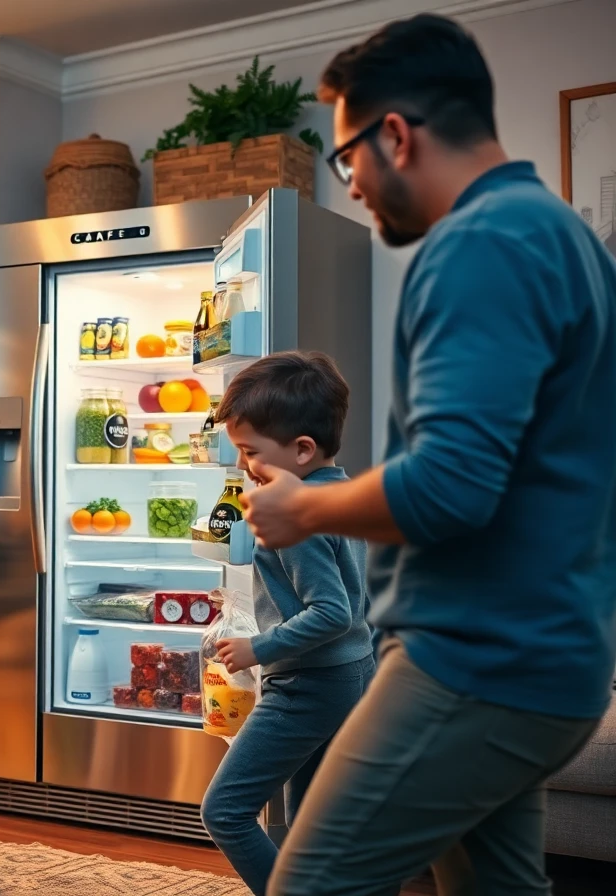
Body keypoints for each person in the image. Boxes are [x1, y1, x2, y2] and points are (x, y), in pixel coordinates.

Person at [237, 15, 616, 896]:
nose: (355, 188)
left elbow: (453, 485)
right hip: (553, 659)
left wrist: (305, 506)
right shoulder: (563, 238)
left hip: (478, 662)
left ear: (396, 135)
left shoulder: (479, 244)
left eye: (348, 160)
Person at [200, 352, 374, 896]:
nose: (246, 466)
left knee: (225, 811)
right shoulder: (340, 493)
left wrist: (258, 646)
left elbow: (330, 611)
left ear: (302, 450)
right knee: (311, 828)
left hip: (307, 685)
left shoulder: (293, 513)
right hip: (349, 674)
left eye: (251, 452)